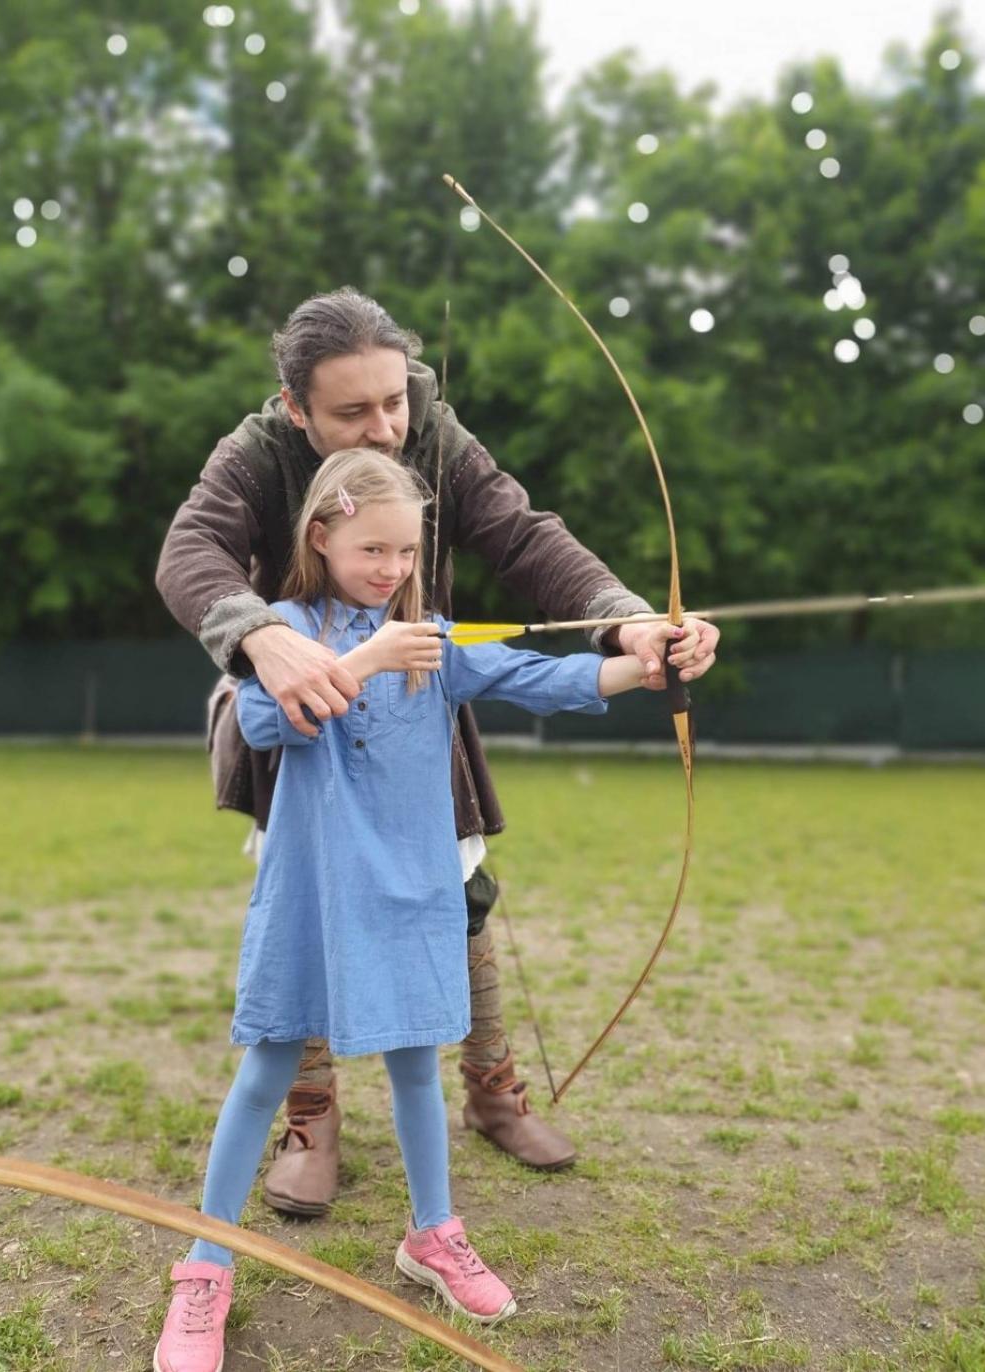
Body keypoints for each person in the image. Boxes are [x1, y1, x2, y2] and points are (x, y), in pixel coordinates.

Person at [156, 287, 719, 1211]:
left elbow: (526, 538)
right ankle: (311, 1110)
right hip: (302, 714)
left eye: (394, 402)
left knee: (459, 892)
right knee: (311, 905)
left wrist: (627, 627)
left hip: (422, 703)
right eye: (351, 412)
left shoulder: (436, 435)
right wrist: (264, 639)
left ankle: (490, 1089)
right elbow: (189, 554)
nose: (384, 428)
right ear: (297, 410)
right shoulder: (255, 456)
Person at [153, 448, 669, 1372]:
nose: (392, 568)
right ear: (322, 535)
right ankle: (205, 1266)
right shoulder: (286, 630)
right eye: (372, 548)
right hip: (314, 894)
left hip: (413, 890)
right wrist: (370, 653)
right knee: (269, 1066)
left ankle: (434, 1232)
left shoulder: (433, 639)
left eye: (405, 552)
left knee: (415, 1068)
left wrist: (644, 662)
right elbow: (266, 722)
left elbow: (541, 678)